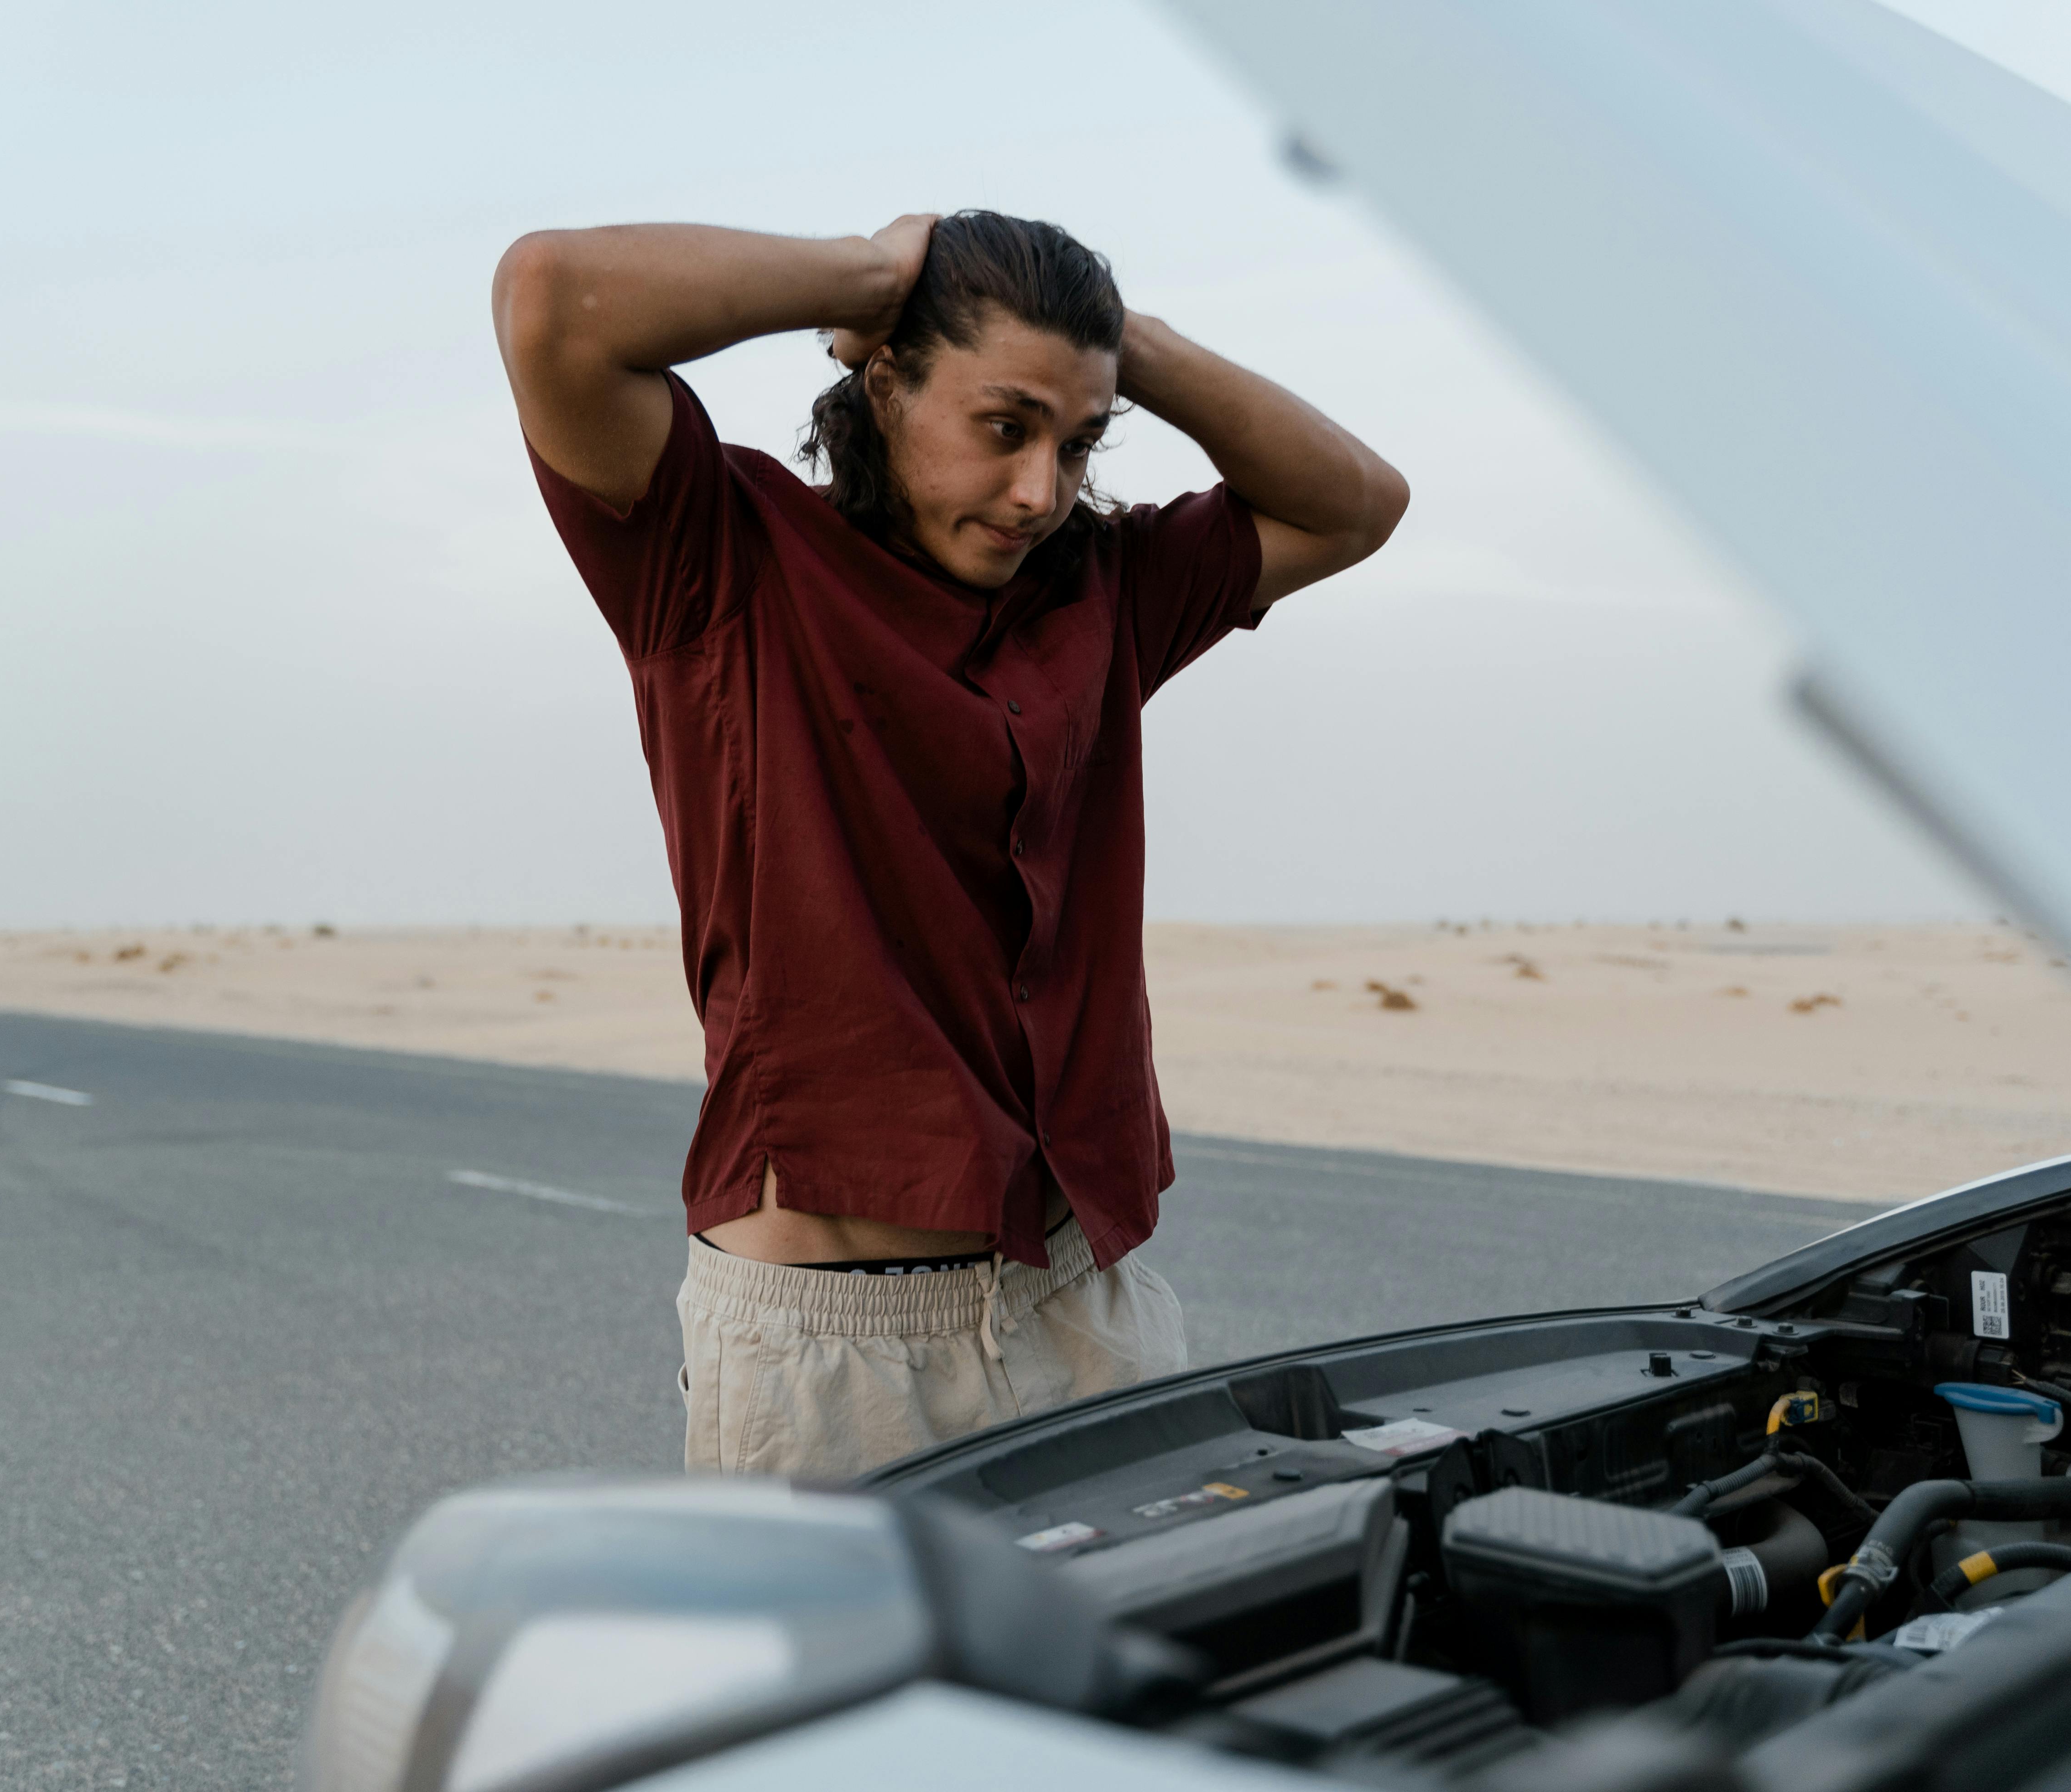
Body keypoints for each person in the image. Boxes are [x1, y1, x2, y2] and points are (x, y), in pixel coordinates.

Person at [493, 210, 1405, 1478]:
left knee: (1136, 1682)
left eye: (1079, 442)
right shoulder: (720, 561)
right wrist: (882, 275)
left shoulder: (1106, 590)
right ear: (884, 382)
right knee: (839, 1692)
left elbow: (1359, 503)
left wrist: (1116, 342)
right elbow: (554, 299)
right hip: (834, 1362)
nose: (1043, 489)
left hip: (1086, 1308)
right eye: (1004, 425)